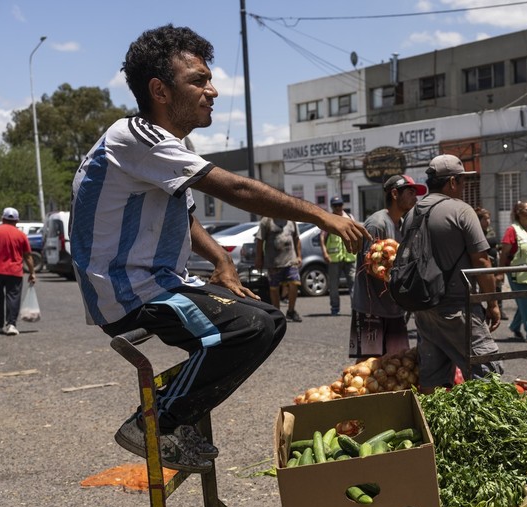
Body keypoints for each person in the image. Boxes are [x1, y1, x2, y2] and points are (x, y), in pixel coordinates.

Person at [70, 25, 366, 473]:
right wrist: (322, 216)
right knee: (249, 327)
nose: (212, 91)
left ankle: (174, 413)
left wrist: (222, 260)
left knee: (266, 318)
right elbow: (237, 188)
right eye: (198, 81)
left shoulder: (165, 147)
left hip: (159, 284)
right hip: (128, 293)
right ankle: (155, 423)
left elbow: (185, 218)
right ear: (159, 90)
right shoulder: (134, 136)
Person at [410, 154, 502, 391]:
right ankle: (484, 428)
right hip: (458, 309)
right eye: (461, 181)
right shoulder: (461, 210)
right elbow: (481, 260)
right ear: (451, 182)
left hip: (424, 309)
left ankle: (433, 425)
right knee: (487, 375)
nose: (463, 186)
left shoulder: (413, 213)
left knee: (434, 381)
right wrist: (491, 303)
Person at [349, 174, 425, 360]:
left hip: (394, 309)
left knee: (398, 363)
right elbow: (370, 265)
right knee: (366, 368)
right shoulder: (377, 223)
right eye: (410, 192)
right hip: (371, 309)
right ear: (394, 193)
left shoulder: (402, 224)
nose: (415, 198)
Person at [501, 200, 527, 344]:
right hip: (518, 274)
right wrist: (500, 271)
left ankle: (514, 325)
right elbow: (504, 253)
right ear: (518, 212)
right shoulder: (512, 230)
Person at [254, 217, 303, 322]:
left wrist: (299, 256)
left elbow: (297, 238)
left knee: (294, 283)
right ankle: (278, 313)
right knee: (274, 288)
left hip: (291, 260)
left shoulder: (291, 220)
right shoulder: (266, 221)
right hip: (273, 262)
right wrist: (259, 258)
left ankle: (291, 311)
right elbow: (260, 240)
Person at [0, 208, 36, 335]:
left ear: (2, 218)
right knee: (13, 298)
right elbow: (28, 256)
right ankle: (11, 325)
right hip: (14, 272)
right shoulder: (21, 235)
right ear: (17, 220)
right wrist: (32, 272)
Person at [322, 196, 357, 316]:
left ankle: (356, 308)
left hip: (350, 256)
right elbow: (322, 237)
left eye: (340, 205)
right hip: (334, 257)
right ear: (332, 207)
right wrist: (325, 253)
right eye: (335, 206)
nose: (338, 208)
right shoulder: (329, 219)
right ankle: (335, 308)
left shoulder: (350, 217)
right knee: (334, 285)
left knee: (353, 283)